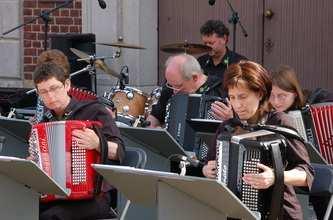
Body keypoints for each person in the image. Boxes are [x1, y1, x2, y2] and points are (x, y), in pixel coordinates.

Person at [202, 60, 314, 219]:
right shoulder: (228, 127)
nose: (237, 104)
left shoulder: (280, 122)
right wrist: (207, 170)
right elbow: (208, 164)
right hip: (236, 212)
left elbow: (307, 174)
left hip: (279, 213)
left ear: (260, 93)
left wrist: (276, 176)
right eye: (232, 97)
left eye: (243, 96)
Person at [31, 62, 125, 220]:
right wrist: (35, 161)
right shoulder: (43, 123)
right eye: (44, 92)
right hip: (54, 195)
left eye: (54, 88)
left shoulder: (95, 111)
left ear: (67, 85)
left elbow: (120, 151)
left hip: (94, 197)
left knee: (50, 217)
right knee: (18, 206)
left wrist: (97, 143)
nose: (50, 96)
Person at [146, 53, 223, 128]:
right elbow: (155, 116)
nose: (174, 91)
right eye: (170, 84)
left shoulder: (219, 90)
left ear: (194, 77)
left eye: (178, 86)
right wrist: (153, 128)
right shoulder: (171, 87)